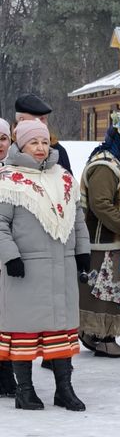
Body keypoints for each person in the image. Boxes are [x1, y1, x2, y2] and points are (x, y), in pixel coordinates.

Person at [0, 119, 90, 410]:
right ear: (21, 145)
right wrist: (10, 256)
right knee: (24, 331)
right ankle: (25, 391)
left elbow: (77, 219)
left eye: (43, 142)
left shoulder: (62, 177)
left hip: (60, 268)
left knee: (60, 329)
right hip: (25, 269)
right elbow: (0, 224)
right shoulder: (8, 179)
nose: (40, 148)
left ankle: (64, 389)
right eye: (33, 142)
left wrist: (82, 253)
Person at [78, 111, 120, 358]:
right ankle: (101, 337)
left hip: (116, 242)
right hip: (104, 242)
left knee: (112, 291)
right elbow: (100, 204)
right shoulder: (104, 166)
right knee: (103, 293)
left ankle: (98, 334)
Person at [14, 93, 72, 174]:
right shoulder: (5, 147)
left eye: (46, 119)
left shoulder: (56, 150)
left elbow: (68, 183)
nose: (45, 124)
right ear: (21, 120)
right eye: (41, 119)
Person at [0, 118, 14, 397]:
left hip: (11, 253)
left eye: (2, 138)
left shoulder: (17, 172)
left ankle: (6, 374)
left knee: (9, 319)